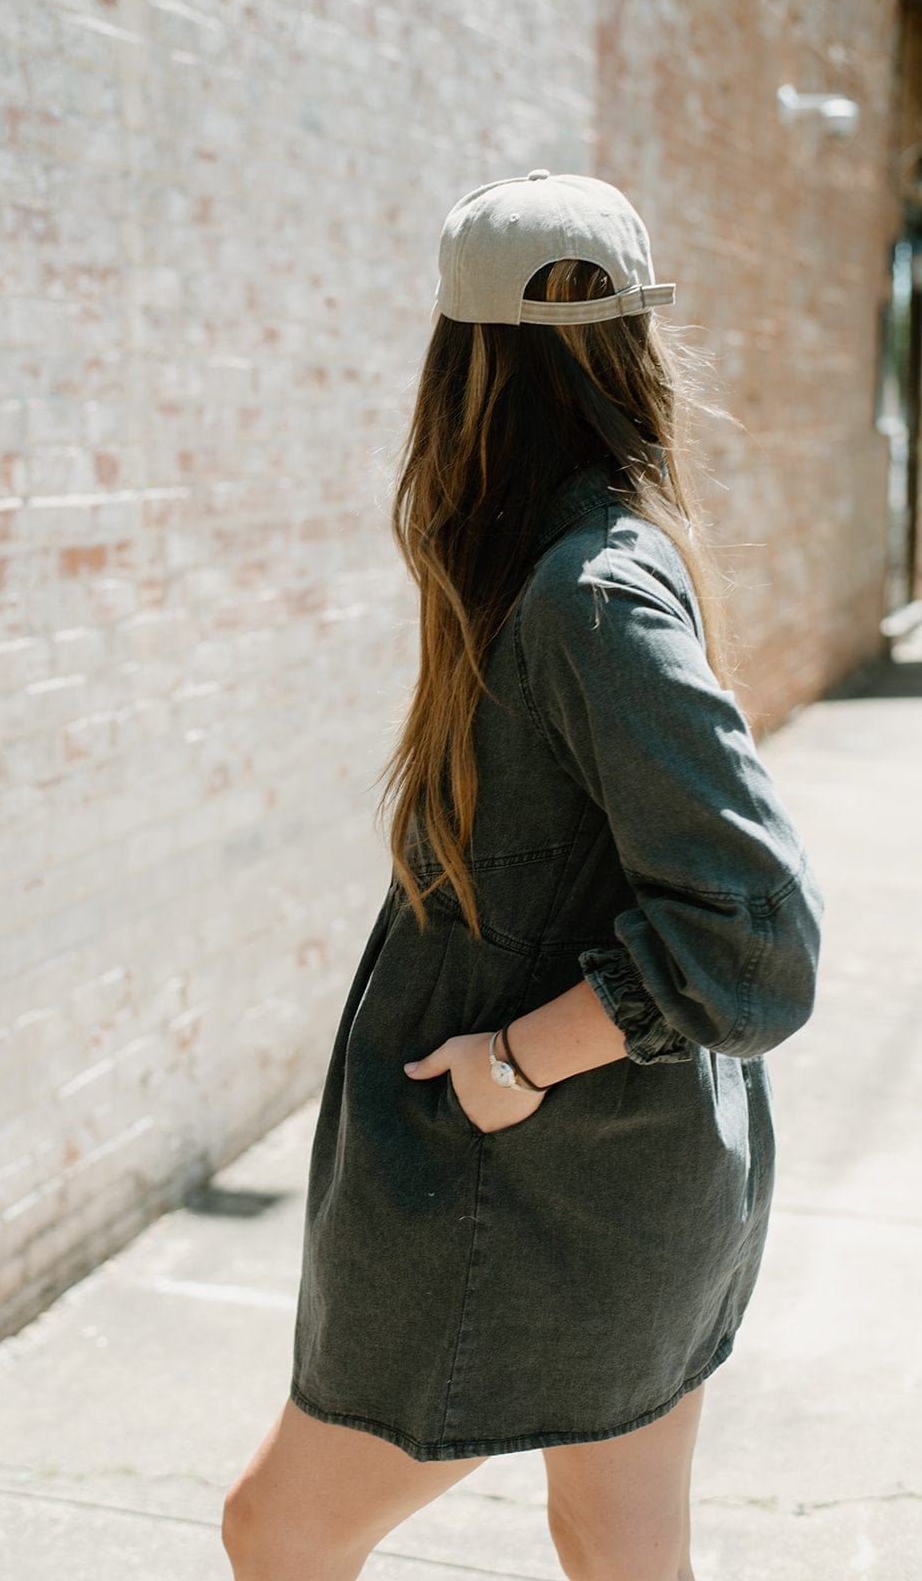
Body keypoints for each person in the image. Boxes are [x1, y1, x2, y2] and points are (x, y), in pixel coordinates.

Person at [222, 171, 825, 1581]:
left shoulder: (587, 593)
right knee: (620, 1548)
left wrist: (518, 1057)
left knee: (279, 1531)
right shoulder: (586, 564)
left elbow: (759, 927)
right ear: (634, 354)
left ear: (463, 369)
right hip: (628, 1174)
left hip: (536, 1178)